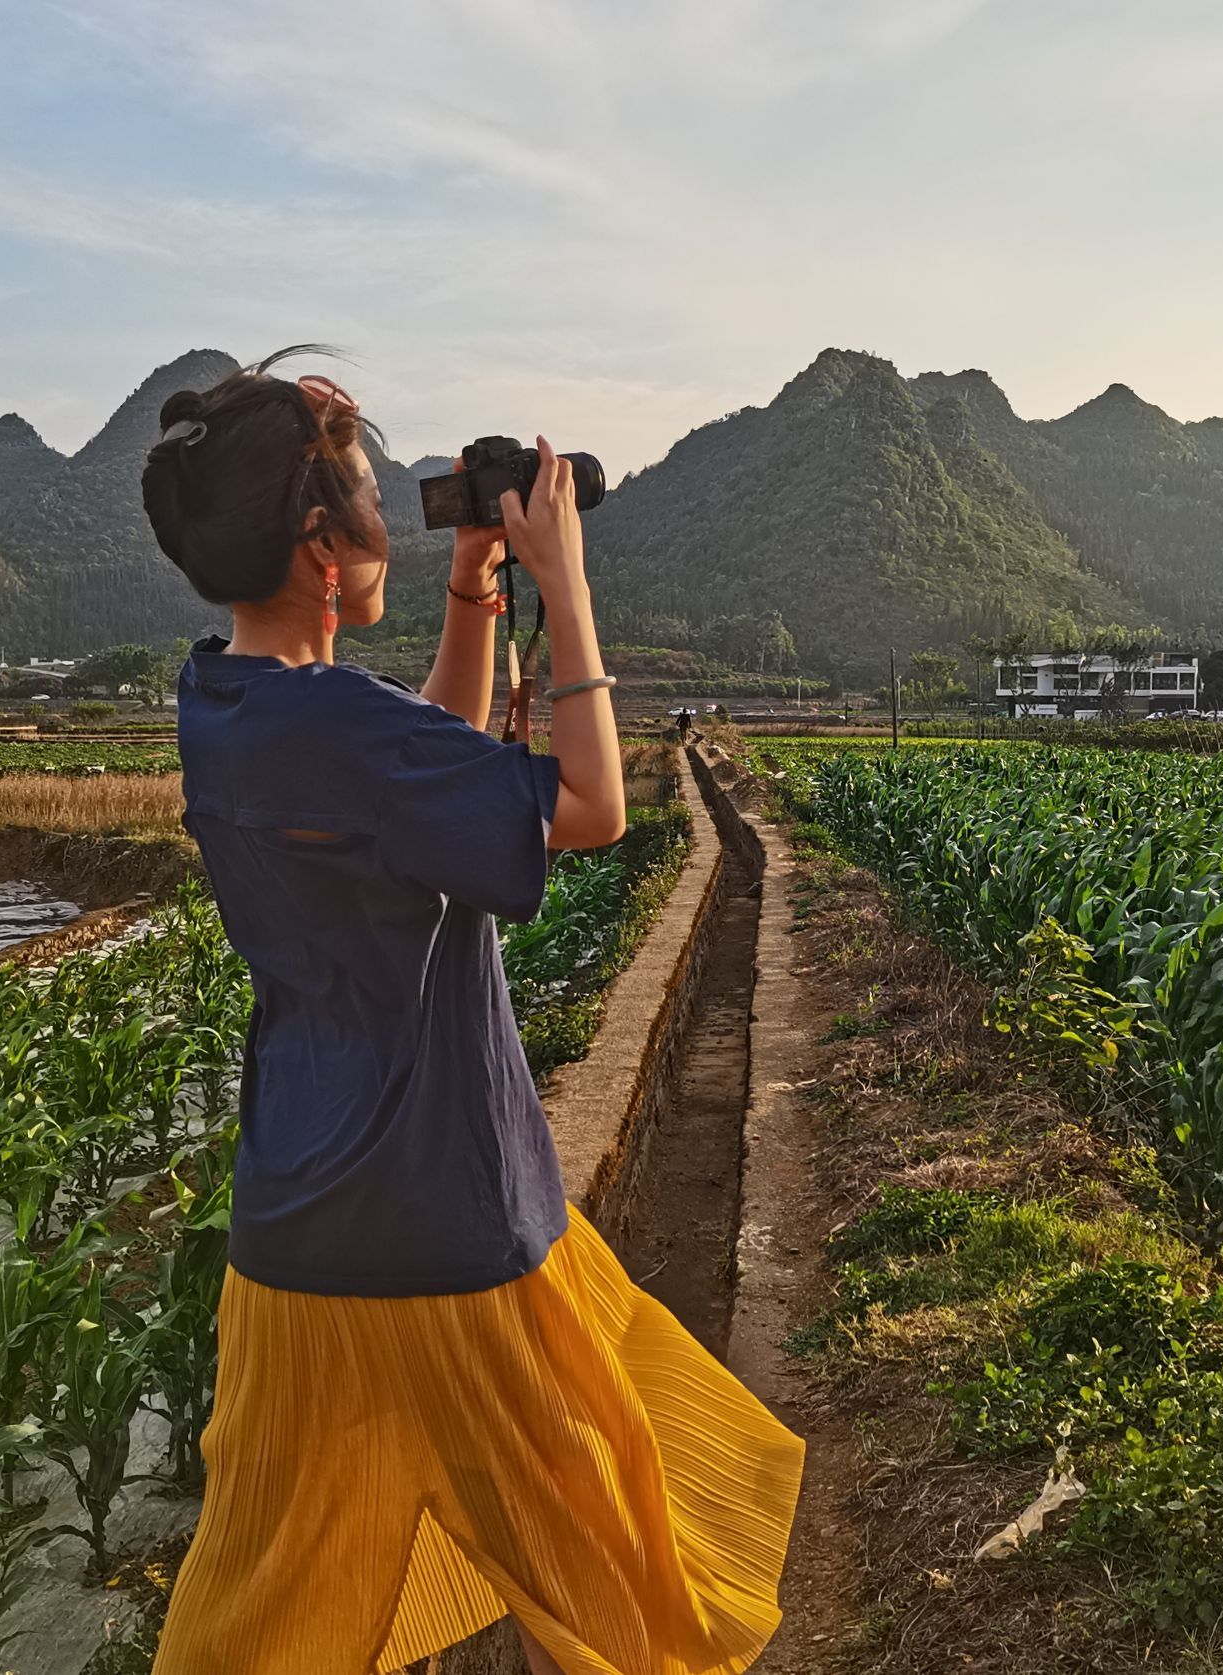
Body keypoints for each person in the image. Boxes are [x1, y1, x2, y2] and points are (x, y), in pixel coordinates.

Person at [140, 349, 803, 1675]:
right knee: (612, 1559)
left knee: (271, 1604)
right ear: (326, 545)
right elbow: (592, 811)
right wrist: (562, 582)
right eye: (379, 498)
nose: (401, 514)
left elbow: (423, 760)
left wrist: (467, 596)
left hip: (295, 1235)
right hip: (445, 1214)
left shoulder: (229, 703)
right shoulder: (337, 725)